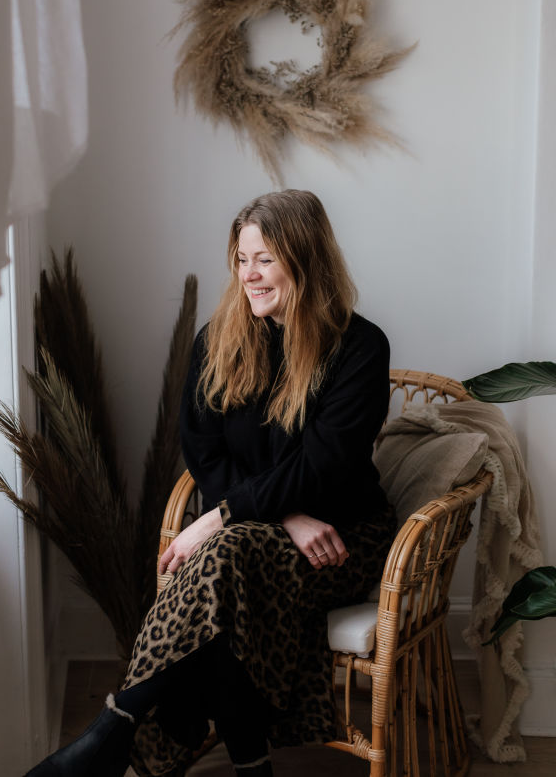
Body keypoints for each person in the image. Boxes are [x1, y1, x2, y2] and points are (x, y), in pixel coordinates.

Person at [25, 189, 396, 777]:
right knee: (230, 566)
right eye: (241, 258)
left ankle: (114, 727)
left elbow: (322, 467)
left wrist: (218, 516)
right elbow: (205, 450)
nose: (249, 275)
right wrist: (281, 517)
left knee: (225, 553)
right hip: (277, 534)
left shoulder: (359, 348)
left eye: (265, 259)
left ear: (305, 258)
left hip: (344, 537)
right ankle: (241, 761)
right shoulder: (220, 338)